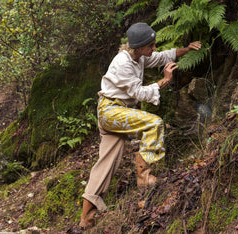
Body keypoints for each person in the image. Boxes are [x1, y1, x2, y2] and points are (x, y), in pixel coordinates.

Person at [79, 22, 201, 228]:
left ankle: (86, 218)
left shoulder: (138, 56)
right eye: (150, 45)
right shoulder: (123, 63)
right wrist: (165, 80)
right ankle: (143, 176)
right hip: (111, 112)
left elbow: (162, 56)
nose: (154, 48)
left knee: (107, 162)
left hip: (115, 112)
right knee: (154, 122)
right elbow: (141, 93)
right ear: (139, 47)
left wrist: (186, 49)